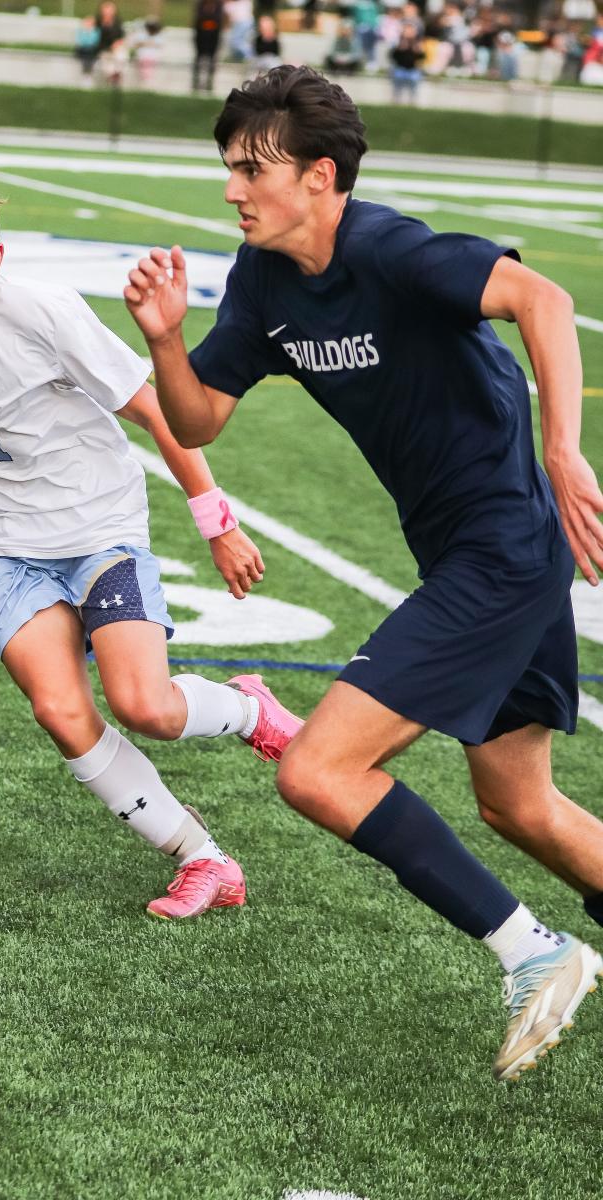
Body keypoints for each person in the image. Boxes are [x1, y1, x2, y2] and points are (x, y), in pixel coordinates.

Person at [123, 65, 603, 1079]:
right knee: (519, 806)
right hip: (472, 553)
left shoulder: (388, 249)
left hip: (504, 548)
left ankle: (536, 951)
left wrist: (565, 447)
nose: (232, 188)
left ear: (321, 176)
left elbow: (543, 300)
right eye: (229, 167)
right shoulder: (261, 282)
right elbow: (201, 412)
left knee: (317, 768)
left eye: (252, 168)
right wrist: (166, 340)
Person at [0, 164, 303, 921]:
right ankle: (204, 859)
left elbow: (160, 412)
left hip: (101, 527)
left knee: (147, 706)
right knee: (62, 714)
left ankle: (246, 708)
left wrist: (218, 522)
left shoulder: (45, 312)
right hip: (8, 548)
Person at [192, 0, 224, 91]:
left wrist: (208, 22)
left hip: (213, 38)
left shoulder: (218, 4)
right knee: (199, 59)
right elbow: (199, 19)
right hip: (201, 37)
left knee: (212, 60)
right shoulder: (201, 4)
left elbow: (218, 20)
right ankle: (196, 83)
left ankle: (210, 83)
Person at [389, 20, 425, 100]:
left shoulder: (417, 43)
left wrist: (419, 51)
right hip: (400, 68)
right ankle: (396, 100)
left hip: (412, 69)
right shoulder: (397, 42)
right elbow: (392, 57)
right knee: (397, 81)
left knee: (414, 81)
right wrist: (399, 49)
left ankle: (413, 101)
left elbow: (422, 57)